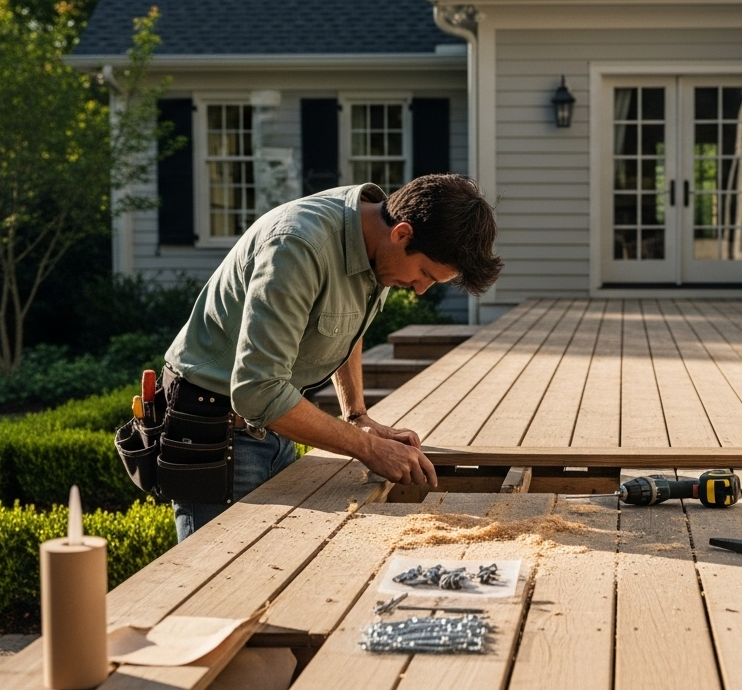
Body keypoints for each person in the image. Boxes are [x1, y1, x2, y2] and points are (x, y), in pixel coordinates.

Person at [161, 173, 502, 541]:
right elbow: (257, 390)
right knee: (218, 583)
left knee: (275, 570)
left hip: (272, 422)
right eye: (425, 274)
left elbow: (344, 327)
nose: (421, 290)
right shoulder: (297, 246)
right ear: (402, 234)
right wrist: (369, 449)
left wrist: (357, 416)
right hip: (215, 430)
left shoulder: (373, 246)